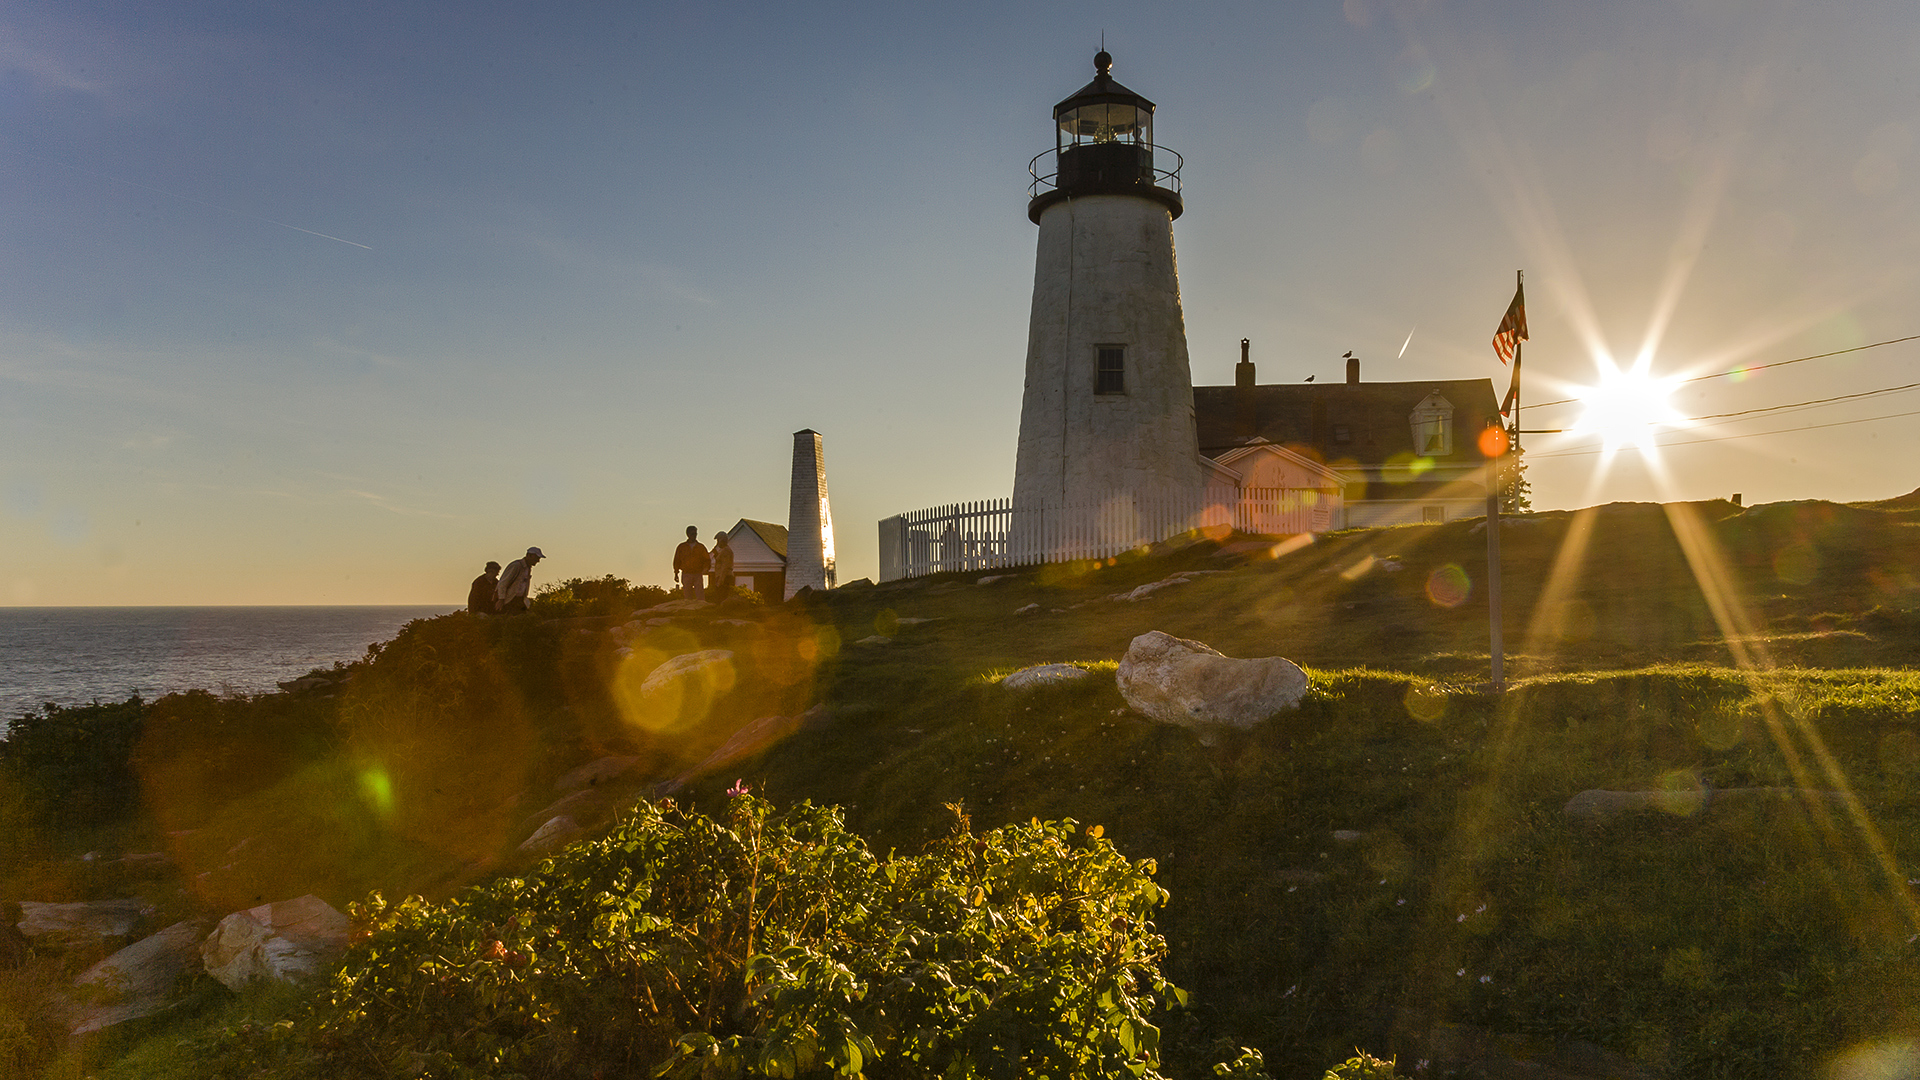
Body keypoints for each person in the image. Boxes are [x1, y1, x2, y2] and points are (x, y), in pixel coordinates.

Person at [495, 546, 545, 614]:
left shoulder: (527, 568)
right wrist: (501, 599)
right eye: (536, 558)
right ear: (529, 555)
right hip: (510, 600)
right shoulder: (516, 565)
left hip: (519, 600)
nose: (538, 561)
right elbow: (503, 583)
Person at [672, 526, 710, 601]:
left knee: (700, 596)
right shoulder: (681, 547)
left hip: (698, 573)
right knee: (687, 596)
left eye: (695, 534)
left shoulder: (701, 547)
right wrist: (676, 573)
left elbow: (707, 560)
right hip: (686, 573)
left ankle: (701, 610)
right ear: (688, 534)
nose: (694, 535)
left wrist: (706, 568)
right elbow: (677, 560)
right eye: (692, 534)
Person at [710, 529, 735, 598]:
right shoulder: (723, 551)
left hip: (725, 577)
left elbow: (725, 566)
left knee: (722, 597)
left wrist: (720, 580)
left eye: (718, 541)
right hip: (722, 576)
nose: (717, 543)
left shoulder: (726, 551)